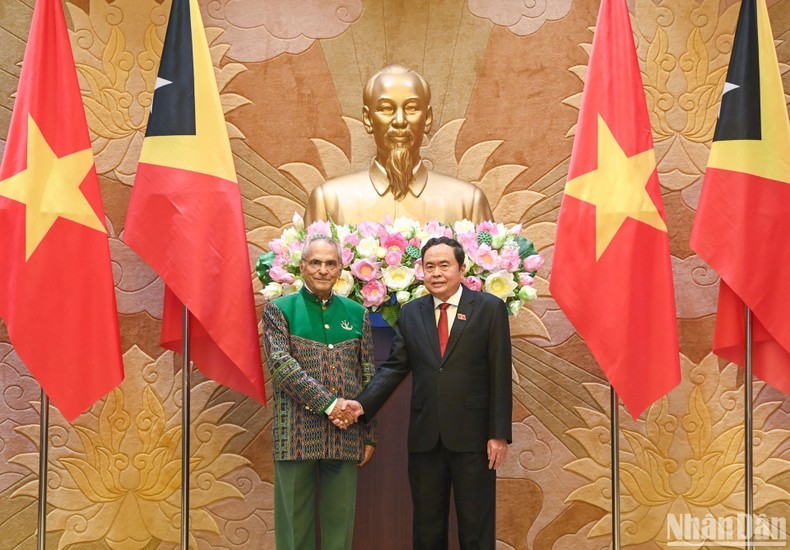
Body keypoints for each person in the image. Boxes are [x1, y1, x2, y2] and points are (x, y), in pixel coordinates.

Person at [337, 236, 512, 549]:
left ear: (462, 268)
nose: (436, 273)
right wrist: (362, 405)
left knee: (476, 527)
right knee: (427, 528)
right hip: (425, 437)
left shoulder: (489, 309)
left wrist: (499, 434)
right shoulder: (411, 312)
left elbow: (500, 373)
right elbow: (394, 368)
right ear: (421, 271)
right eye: (429, 266)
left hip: (473, 437)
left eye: (444, 265)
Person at [261, 235, 376, 550]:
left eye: (330, 263)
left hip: (347, 434)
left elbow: (368, 375)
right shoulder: (278, 310)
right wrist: (330, 405)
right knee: (295, 533)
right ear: (302, 267)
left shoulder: (357, 313)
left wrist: (369, 434)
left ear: (341, 269)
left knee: (340, 532)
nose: (323, 270)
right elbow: (282, 367)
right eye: (315, 262)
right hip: (295, 434)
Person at [304, 64, 494, 226]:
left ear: (427, 119)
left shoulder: (468, 203)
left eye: (411, 108)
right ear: (368, 119)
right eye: (386, 109)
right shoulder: (329, 201)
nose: (400, 121)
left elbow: (490, 269)